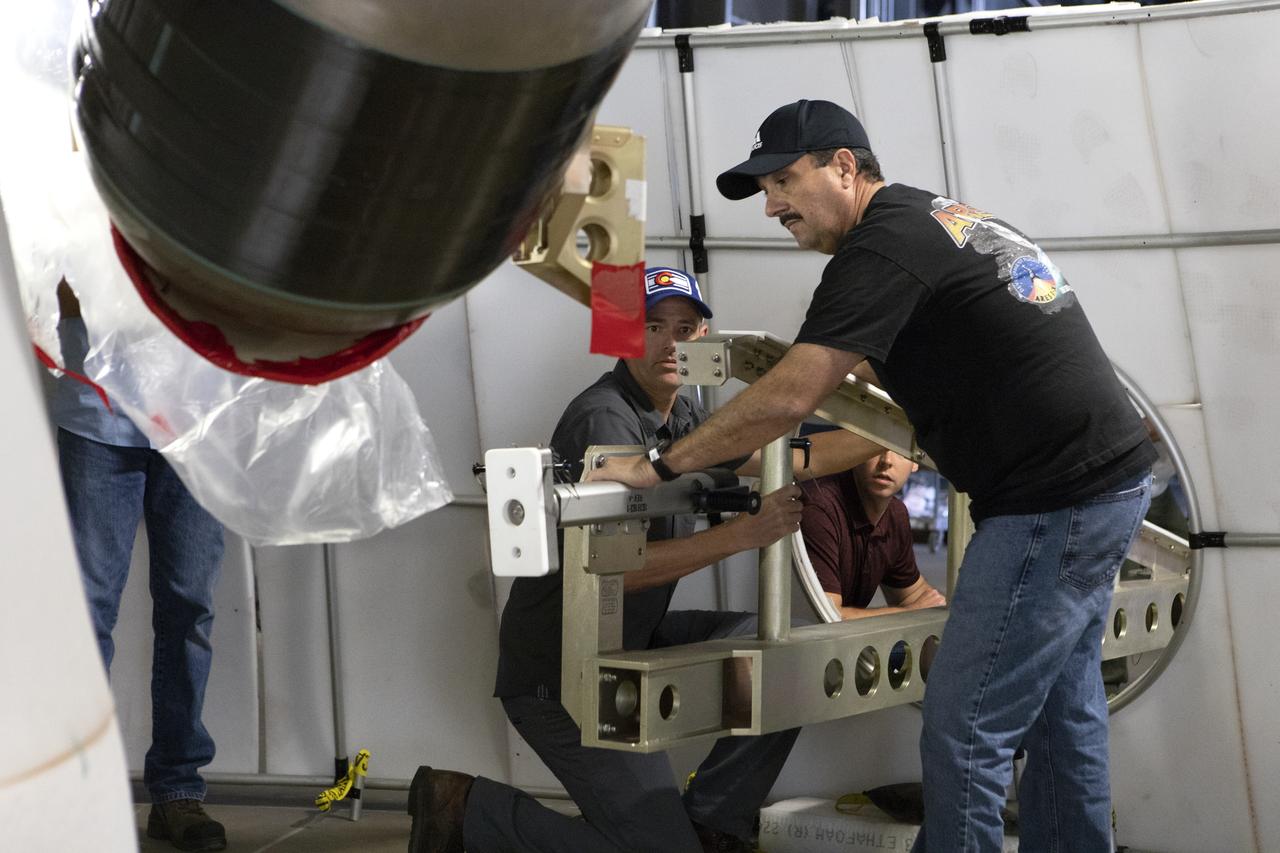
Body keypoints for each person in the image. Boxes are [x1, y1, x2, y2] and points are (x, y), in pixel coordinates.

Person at [590, 100, 1156, 852]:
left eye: (784, 181)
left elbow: (794, 390)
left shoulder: (879, 250)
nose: (771, 206)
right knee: (1062, 712)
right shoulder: (924, 222)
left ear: (845, 167)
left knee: (964, 727)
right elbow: (837, 386)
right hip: (1104, 482)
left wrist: (660, 464)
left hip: (1050, 501)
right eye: (764, 191)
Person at [406, 266, 881, 853]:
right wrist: (744, 535)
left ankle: (711, 822)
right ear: (622, 337)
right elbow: (617, 570)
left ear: (704, 335)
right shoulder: (605, 417)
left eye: (685, 326)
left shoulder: (681, 418)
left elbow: (795, 457)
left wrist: (898, 428)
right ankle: (468, 811)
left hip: (631, 639)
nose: (671, 343)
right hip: (561, 669)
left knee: (784, 650)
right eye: (652, 326)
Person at [44, 281, 227, 852]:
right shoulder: (81, 189)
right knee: (87, 612)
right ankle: (78, 797)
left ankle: (176, 793)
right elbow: (60, 276)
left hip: (197, 416)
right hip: (98, 408)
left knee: (190, 609)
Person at [800, 449, 945, 620]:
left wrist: (939, 606)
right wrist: (911, 612)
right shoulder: (820, 508)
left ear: (915, 463)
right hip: (800, 639)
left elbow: (913, 594)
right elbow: (826, 615)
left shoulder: (894, 514)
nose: (887, 461)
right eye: (875, 447)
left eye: (900, 450)